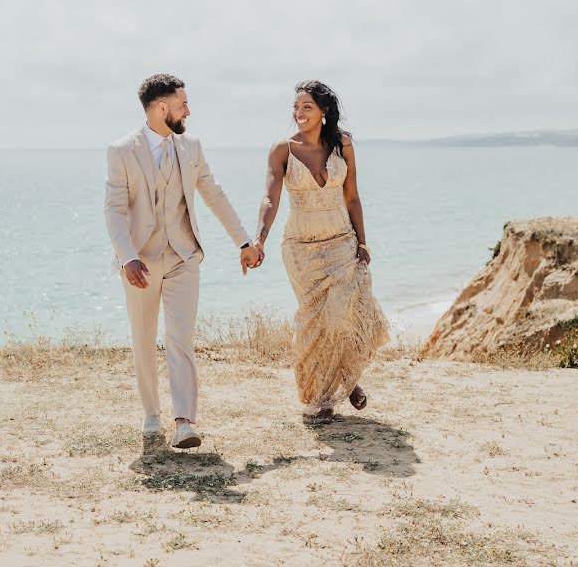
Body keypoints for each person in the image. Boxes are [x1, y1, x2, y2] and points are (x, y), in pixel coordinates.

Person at [104, 74, 262, 448]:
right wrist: (127, 257)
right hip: (139, 261)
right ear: (162, 108)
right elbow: (113, 210)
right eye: (182, 104)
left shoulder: (191, 147)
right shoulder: (121, 150)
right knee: (143, 338)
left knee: (180, 337)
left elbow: (214, 194)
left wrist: (243, 241)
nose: (188, 110)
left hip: (183, 256)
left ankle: (184, 422)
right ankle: (151, 415)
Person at [252, 80, 390, 423]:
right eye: (296, 107)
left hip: (341, 240)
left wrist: (362, 241)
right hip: (301, 247)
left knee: (346, 316)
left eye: (307, 107)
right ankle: (323, 399)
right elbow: (270, 198)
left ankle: (348, 378)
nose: (298, 113)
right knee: (318, 323)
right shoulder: (281, 150)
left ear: (323, 112)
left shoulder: (342, 145)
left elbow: (352, 196)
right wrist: (259, 240)